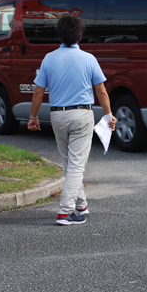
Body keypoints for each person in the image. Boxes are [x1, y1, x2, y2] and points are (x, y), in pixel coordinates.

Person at [28, 14, 117, 226]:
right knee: (77, 165)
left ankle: (81, 205)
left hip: (57, 115)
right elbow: (101, 91)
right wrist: (108, 114)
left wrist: (33, 117)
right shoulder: (89, 59)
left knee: (70, 163)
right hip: (81, 115)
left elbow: (39, 91)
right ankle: (64, 212)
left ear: (59, 34)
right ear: (80, 36)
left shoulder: (49, 58)